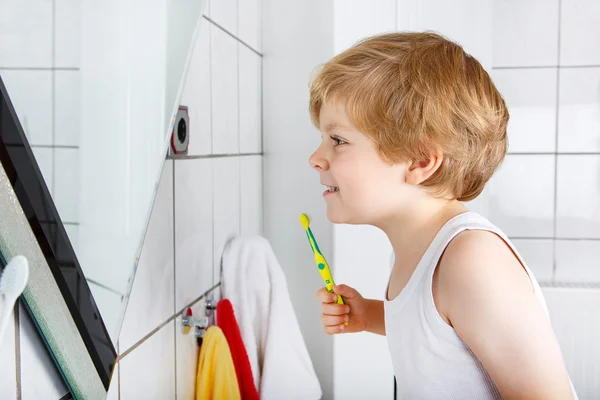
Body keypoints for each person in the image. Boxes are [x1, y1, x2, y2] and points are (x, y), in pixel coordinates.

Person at [309, 31, 577, 399]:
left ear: (420, 161)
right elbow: (438, 331)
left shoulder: (471, 260)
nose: (315, 157)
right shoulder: (417, 252)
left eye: (337, 140)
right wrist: (368, 315)